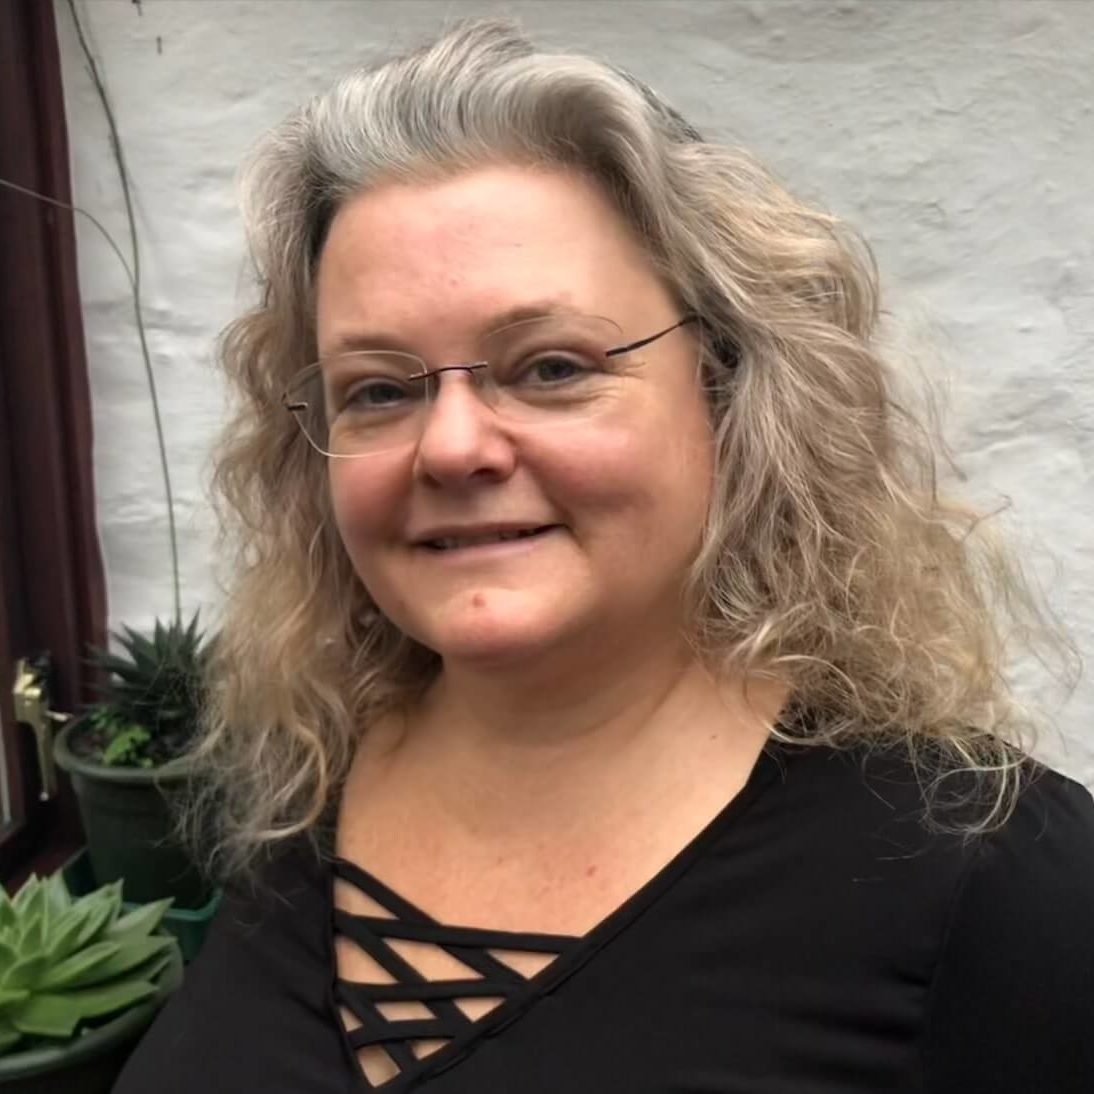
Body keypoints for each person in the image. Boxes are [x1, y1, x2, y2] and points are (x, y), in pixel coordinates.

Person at [113, 18, 1094, 1094]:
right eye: (380, 388)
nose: (450, 445)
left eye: (548, 366)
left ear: (725, 391)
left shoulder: (988, 880)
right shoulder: (301, 776)